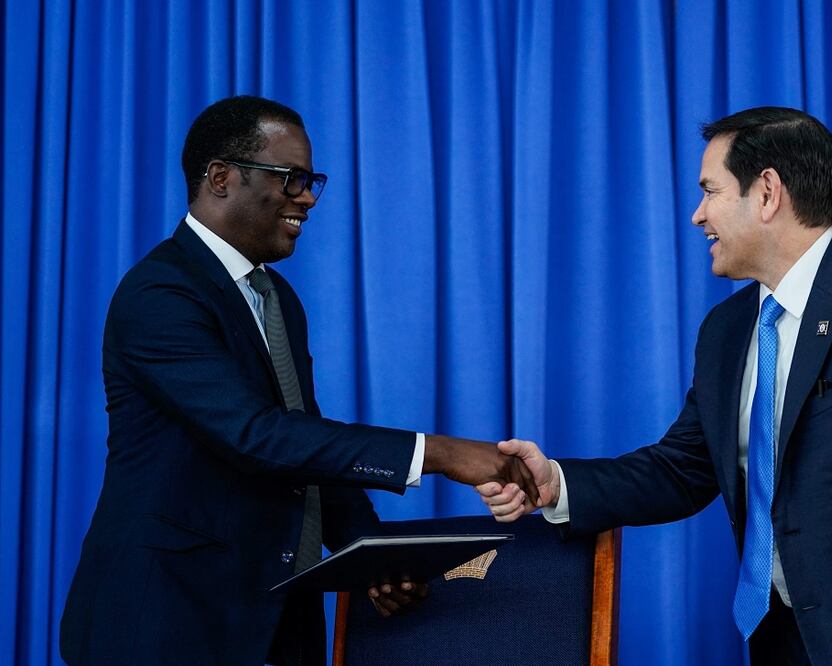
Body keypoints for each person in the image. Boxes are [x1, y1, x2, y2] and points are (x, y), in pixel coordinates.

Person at [478, 107, 832, 665]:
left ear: (768, 193)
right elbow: (683, 468)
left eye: (710, 191)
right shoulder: (725, 331)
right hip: (781, 644)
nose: (698, 215)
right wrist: (556, 482)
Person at [60, 95, 536, 666]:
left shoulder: (275, 297)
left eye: (311, 181)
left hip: (273, 617)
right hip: (165, 620)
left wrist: (374, 555)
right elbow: (257, 437)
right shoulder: (160, 294)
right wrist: (439, 453)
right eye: (291, 179)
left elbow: (300, 440)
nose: (307, 197)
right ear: (221, 178)